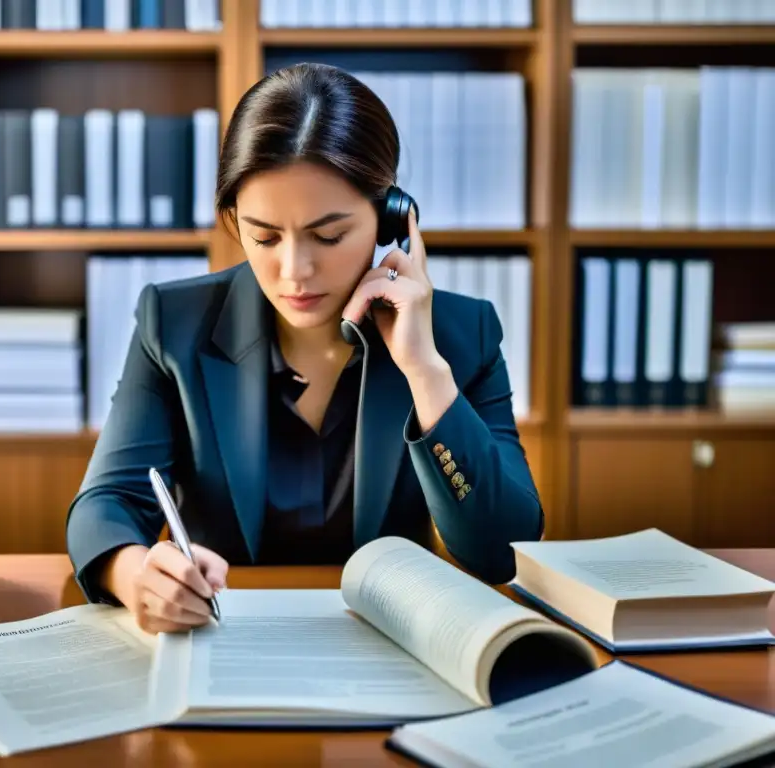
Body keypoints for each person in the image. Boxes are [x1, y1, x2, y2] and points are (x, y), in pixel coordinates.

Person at [66, 62, 543, 634]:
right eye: (264, 236)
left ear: (393, 221)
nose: (295, 271)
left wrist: (425, 372)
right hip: (224, 640)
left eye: (329, 235)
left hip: (388, 646)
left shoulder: (463, 337)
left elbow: (501, 551)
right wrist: (134, 574)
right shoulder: (173, 324)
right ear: (233, 221)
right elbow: (105, 504)